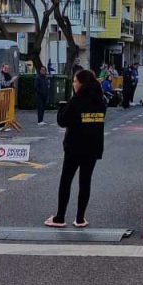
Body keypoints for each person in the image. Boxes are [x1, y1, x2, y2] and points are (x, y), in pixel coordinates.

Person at [45, 69, 107, 228]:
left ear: (81, 84)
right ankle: (80, 218)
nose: (73, 84)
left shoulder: (76, 101)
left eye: (75, 81)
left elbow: (63, 121)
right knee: (85, 182)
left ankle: (60, 217)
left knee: (66, 180)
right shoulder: (101, 101)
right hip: (93, 147)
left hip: (74, 147)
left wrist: (61, 108)